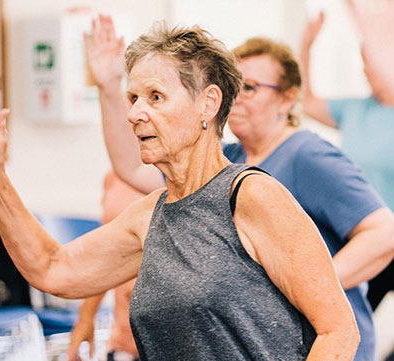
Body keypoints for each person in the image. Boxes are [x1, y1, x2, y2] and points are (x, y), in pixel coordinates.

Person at [0, 20, 360, 360]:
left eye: (155, 97)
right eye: (133, 98)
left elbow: (339, 332)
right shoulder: (150, 215)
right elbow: (53, 268)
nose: (135, 113)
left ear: (208, 104)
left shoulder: (252, 197)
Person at [84, 15, 394, 361]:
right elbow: (130, 168)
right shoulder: (229, 160)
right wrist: (110, 88)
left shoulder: (307, 155)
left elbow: (384, 234)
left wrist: (300, 285)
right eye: (237, 86)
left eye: (252, 88)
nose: (239, 97)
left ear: (287, 99)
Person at [300, 6, 394, 312]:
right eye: (364, 62)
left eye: (371, 61)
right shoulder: (356, 109)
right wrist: (307, 46)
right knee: (349, 317)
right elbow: (307, 102)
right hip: (367, 238)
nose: (365, 70)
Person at [68, 170, 142, 361]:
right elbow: (107, 254)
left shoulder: (183, 174)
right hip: (124, 339)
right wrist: (86, 315)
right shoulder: (116, 176)